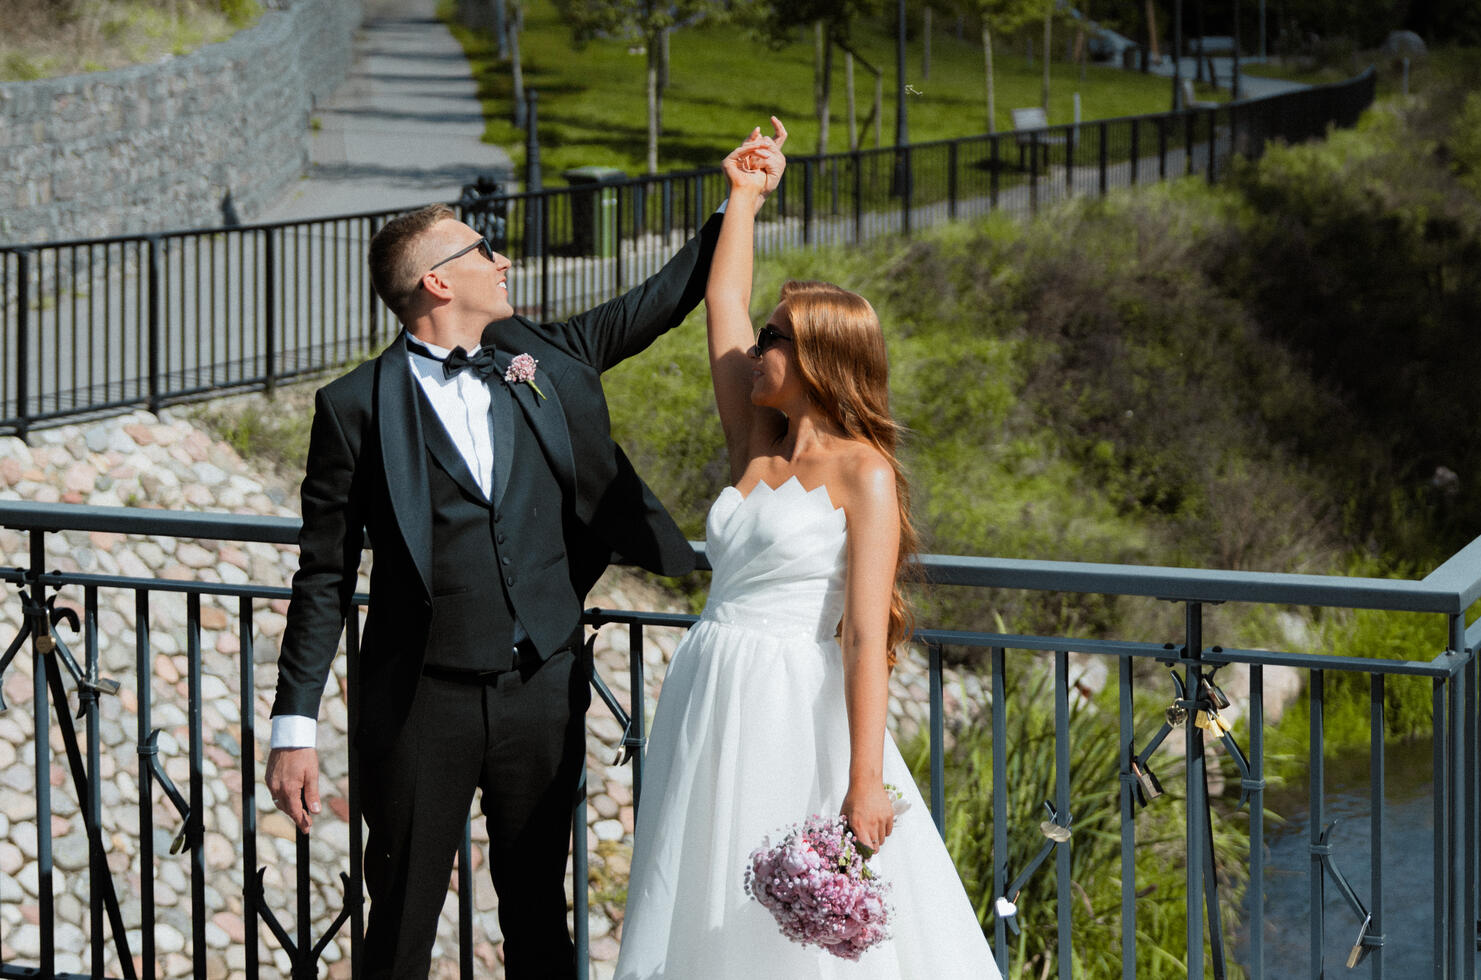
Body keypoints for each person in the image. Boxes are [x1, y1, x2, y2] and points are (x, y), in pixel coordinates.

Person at [264, 126, 755, 978]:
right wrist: (293, 728)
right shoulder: (353, 408)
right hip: (421, 698)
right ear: (437, 280)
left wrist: (739, 199)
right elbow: (326, 575)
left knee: (536, 912)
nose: (501, 260)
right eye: (482, 247)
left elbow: (659, 301)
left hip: (544, 687)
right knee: (402, 924)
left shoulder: (544, 359)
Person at [615, 121, 1001, 978]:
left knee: (796, 916)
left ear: (822, 356)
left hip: (794, 700)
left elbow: (866, 635)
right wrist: (743, 198)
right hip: (709, 683)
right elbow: (721, 306)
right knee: (700, 887)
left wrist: (866, 778)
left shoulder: (866, 475)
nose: (756, 348)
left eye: (775, 338)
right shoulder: (753, 443)